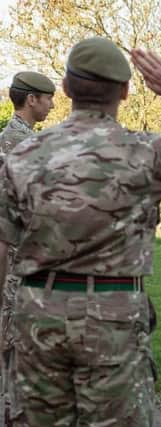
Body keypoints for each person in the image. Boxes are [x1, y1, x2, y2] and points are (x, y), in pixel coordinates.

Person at [0, 36, 161, 427]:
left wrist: (5, 318)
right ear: (126, 91)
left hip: (37, 314)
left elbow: (4, 243)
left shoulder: (23, 155)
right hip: (111, 316)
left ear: (64, 88)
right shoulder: (146, 152)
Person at [0, 71, 55, 427]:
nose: (52, 104)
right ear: (31, 99)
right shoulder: (18, 145)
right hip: (19, 266)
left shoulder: (22, 140)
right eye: (47, 97)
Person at [0, 71, 55, 160]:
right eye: (49, 98)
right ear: (31, 99)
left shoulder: (6, 136)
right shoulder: (29, 145)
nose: (52, 106)